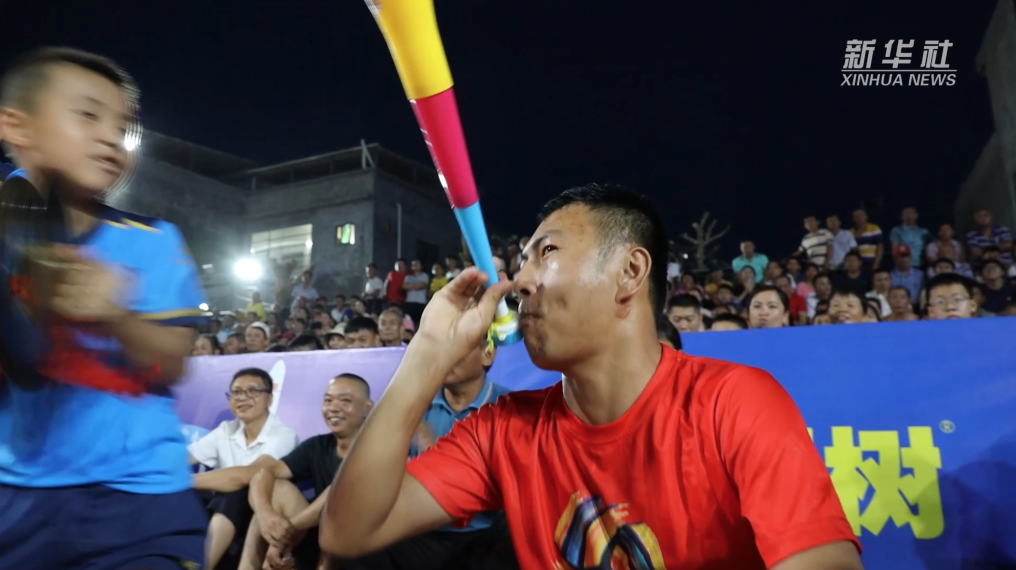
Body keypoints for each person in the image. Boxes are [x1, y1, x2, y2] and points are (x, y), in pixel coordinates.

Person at [320, 184, 862, 569]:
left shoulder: (734, 401)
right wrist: (425, 357)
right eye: (522, 260)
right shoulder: (502, 430)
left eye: (547, 252)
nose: (520, 281)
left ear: (629, 272)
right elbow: (347, 532)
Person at [0, 48, 208, 569]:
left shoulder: (152, 239)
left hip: (139, 500)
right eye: (88, 115)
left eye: (122, 127)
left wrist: (114, 315)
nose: (111, 138)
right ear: (16, 126)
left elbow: (173, 363)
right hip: (16, 499)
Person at [345, 334, 516, 570]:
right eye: (440, 349)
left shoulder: (510, 408)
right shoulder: (414, 406)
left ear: (487, 354)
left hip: (483, 533)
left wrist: (433, 456)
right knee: (353, 540)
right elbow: (378, 471)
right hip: (420, 530)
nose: (444, 357)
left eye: (458, 347)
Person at [238, 374, 374, 570]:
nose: (333, 408)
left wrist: (282, 534)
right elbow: (263, 474)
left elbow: (333, 499)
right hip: (317, 538)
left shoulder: (376, 449)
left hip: (364, 547)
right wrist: (266, 516)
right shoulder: (317, 446)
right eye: (328, 400)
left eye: (345, 401)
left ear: (367, 407)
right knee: (275, 489)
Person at [189, 368, 299, 569]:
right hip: (223, 513)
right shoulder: (227, 429)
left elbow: (247, 476)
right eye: (237, 392)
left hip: (260, 517)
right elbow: (181, 459)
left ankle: (201, 566)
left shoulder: (283, 435)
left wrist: (181, 480)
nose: (242, 397)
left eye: (253, 391)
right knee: (178, 493)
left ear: (269, 399)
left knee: (234, 493)